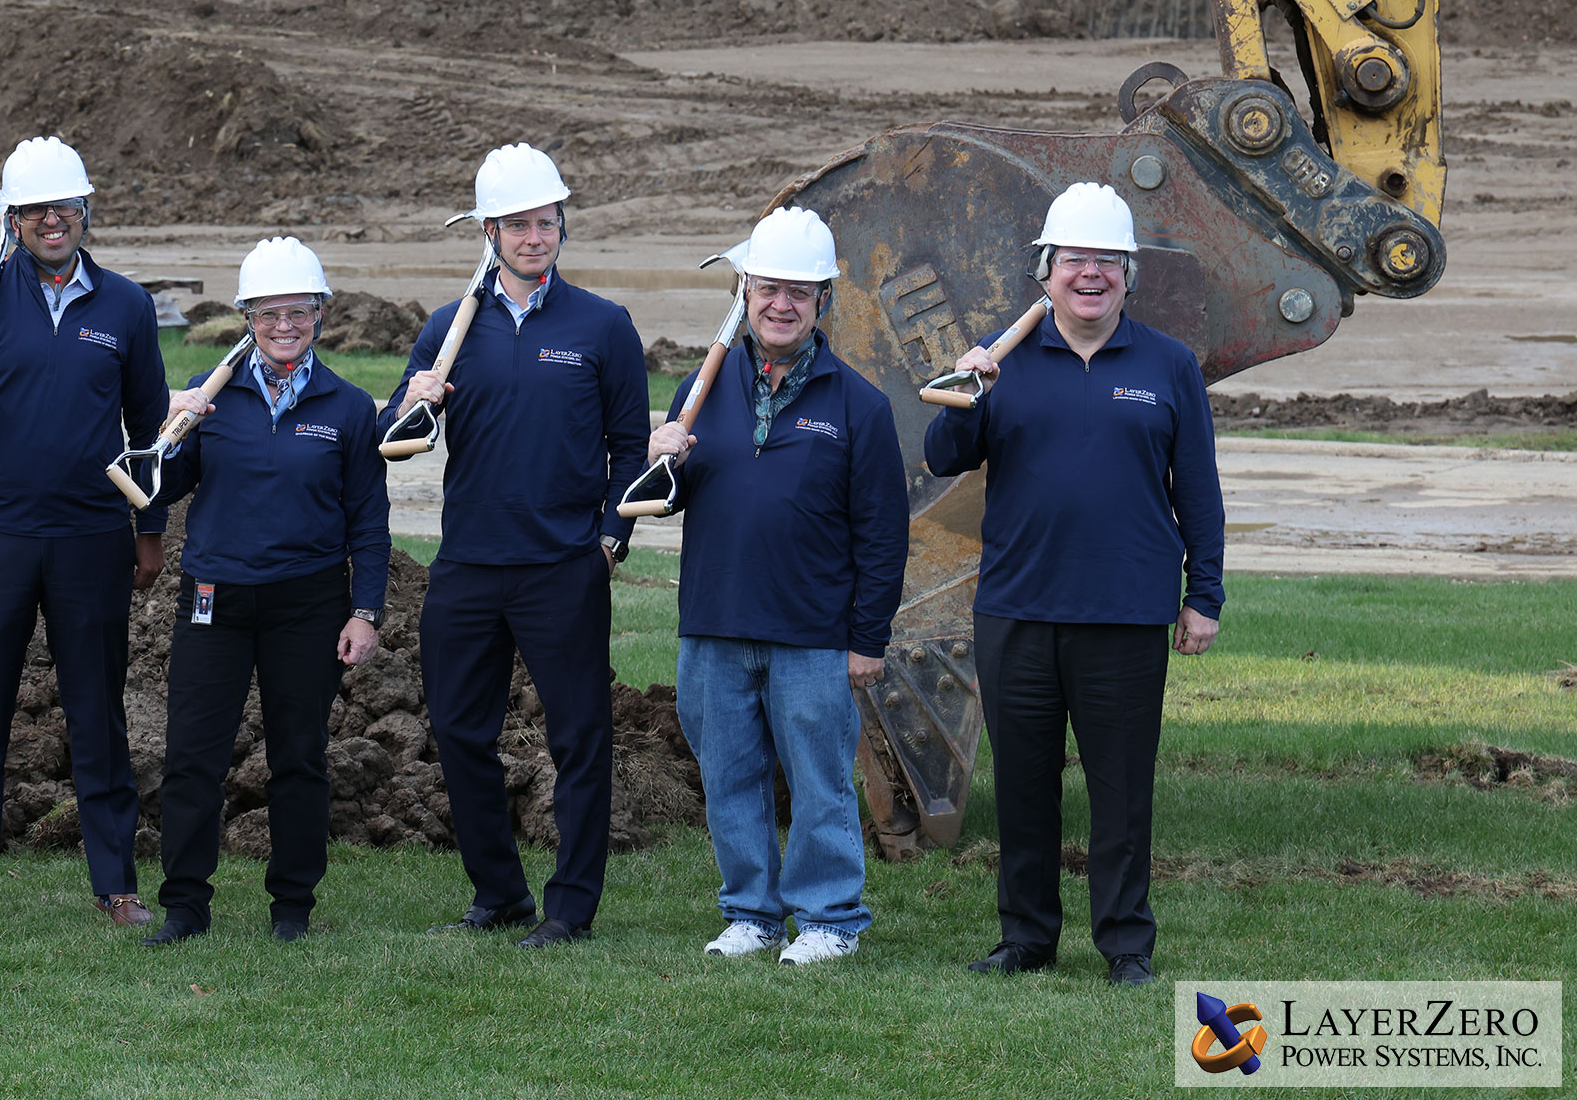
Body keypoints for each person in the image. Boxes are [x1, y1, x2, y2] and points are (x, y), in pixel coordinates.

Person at [925, 182, 1224, 989]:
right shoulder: (1003, 355)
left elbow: (1197, 488)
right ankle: (1026, 937)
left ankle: (1126, 943)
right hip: (1018, 608)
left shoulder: (1167, 366)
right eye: (1073, 261)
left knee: (1121, 790)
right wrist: (966, 385)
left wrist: (1205, 595)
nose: (1088, 274)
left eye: (1105, 261)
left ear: (1129, 274)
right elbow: (944, 454)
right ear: (1045, 272)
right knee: (1023, 787)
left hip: (1125, 612)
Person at [380, 144, 649, 948]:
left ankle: (571, 906)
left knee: (578, 738)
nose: (536, 237)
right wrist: (413, 395)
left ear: (562, 224)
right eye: (518, 225)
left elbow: (630, 449)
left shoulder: (602, 326)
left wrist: (610, 540)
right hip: (466, 565)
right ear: (488, 232)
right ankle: (498, 892)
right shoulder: (448, 329)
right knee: (460, 733)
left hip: (564, 564)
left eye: (547, 221)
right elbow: (398, 435)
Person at [0, 137, 171, 928]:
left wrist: (148, 530)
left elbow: (147, 424)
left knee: (97, 709)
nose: (52, 221)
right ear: (11, 222)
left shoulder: (124, 305)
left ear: (86, 211)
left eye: (65, 207)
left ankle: (116, 884)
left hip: (91, 533)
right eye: (34, 211)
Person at [646, 208, 907, 966]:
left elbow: (884, 537)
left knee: (820, 781)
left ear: (823, 300)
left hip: (814, 633)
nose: (781, 304)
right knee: (728, 778)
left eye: (799, 291)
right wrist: (662, 455)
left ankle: (830, 920)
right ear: (744, 293)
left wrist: (868, 639)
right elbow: (663, 495)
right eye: (767, 289)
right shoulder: (700, 390)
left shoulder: (859, 405)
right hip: (715, 624)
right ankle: (752, 915)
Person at [145, 238, 392, 946]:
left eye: (298, 312)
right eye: (268, 314)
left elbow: (367, 522)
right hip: (213, 599)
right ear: (246, 318)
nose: (284, 326)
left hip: (307, 605)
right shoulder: (211, 397)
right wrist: (165, 427)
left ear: (320, 314)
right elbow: (161, 487)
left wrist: (364, 610)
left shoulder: (346, 407)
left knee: (298, 756)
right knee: (193, 756)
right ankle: (185, 906)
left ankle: (291, 907)